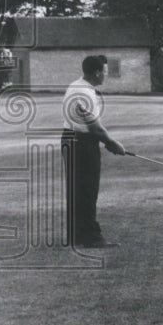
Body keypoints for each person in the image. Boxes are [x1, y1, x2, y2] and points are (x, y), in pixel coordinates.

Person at [61, 54, 127, 248]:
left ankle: (76, 235)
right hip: (81, 143)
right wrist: (114, 144)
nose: (105, 76)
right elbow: (96, 128)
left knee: (76, 190)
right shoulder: (86, 93)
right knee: (88, 190)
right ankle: (90, 237)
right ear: (97, 73)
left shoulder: (76, 85)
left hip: (70, 139)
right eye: (105, 72)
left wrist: (106, 142)